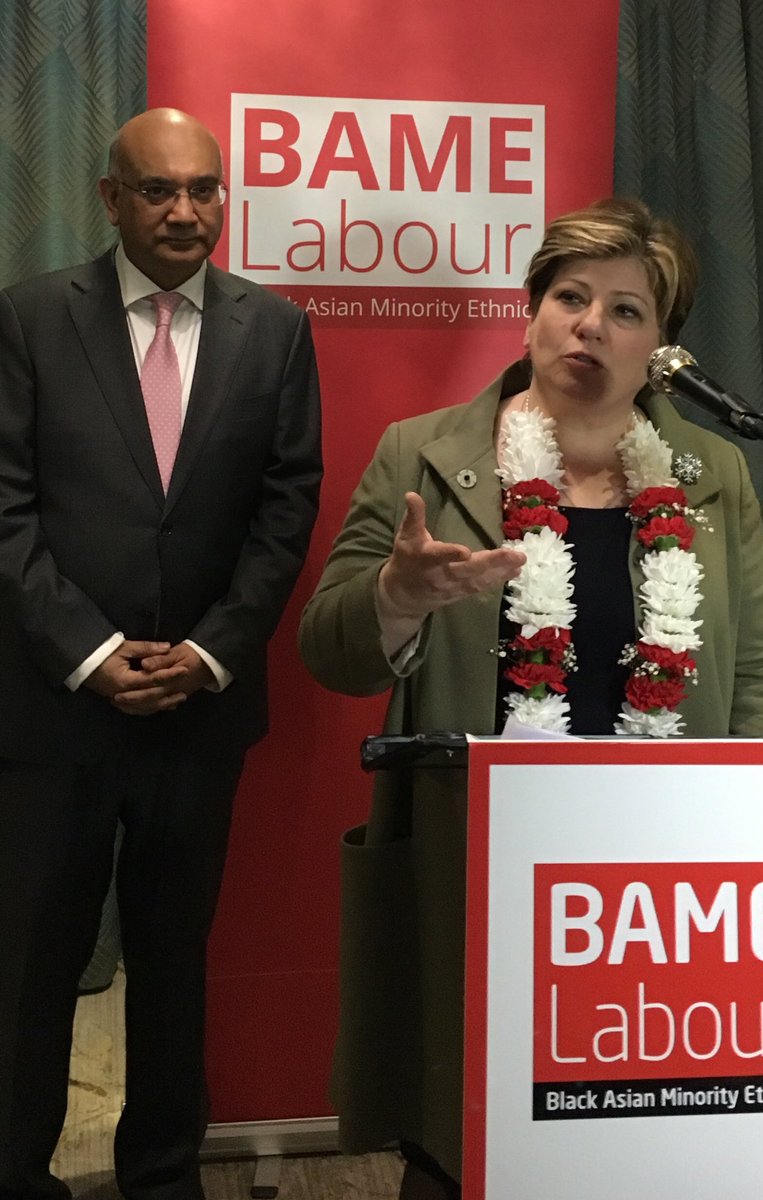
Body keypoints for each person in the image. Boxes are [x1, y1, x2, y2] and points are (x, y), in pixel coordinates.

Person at [298, 198, 763, 1198]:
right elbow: (330, 651)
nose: (589, 326)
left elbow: (760, 675)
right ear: (531, 312)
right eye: (570, 297)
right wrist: (397, 596)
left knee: (632, 1134)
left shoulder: (713, 476)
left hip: (656, 883)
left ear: (660, 350)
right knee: (465, 1135)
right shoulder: (421, 455)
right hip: (478, 863)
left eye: (625, 310)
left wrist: (742, 845)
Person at [0, 108, 321, 1200]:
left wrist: (212, 651)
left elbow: (287, 506)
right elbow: (6, 509)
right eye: (158, 190)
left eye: (204, 189)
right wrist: (89, 651)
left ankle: (163, 1175)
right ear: (112, 199)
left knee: (174, 961)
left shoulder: (276, 331)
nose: (185, 211)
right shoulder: (29, 319)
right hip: (55, 708)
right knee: (32, 964)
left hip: (200, 709)